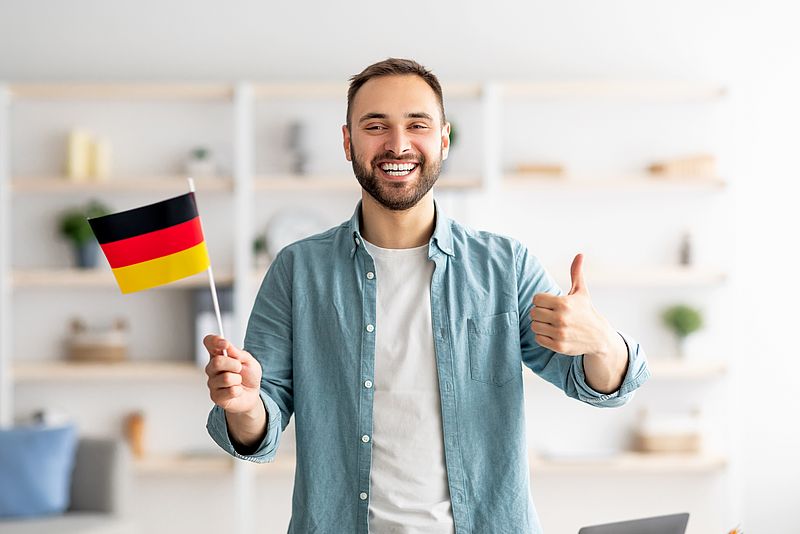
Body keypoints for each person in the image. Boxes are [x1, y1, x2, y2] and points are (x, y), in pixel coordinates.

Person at [204, 58, 651, 534]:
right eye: (375, 126)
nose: (397, 144)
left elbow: (600, 387)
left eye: (416, 124)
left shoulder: (505, 266)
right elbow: (257, 430)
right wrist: (245, 404)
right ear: (347, 142)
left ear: (443, 138)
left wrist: (602, 341)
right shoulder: (298, 270)